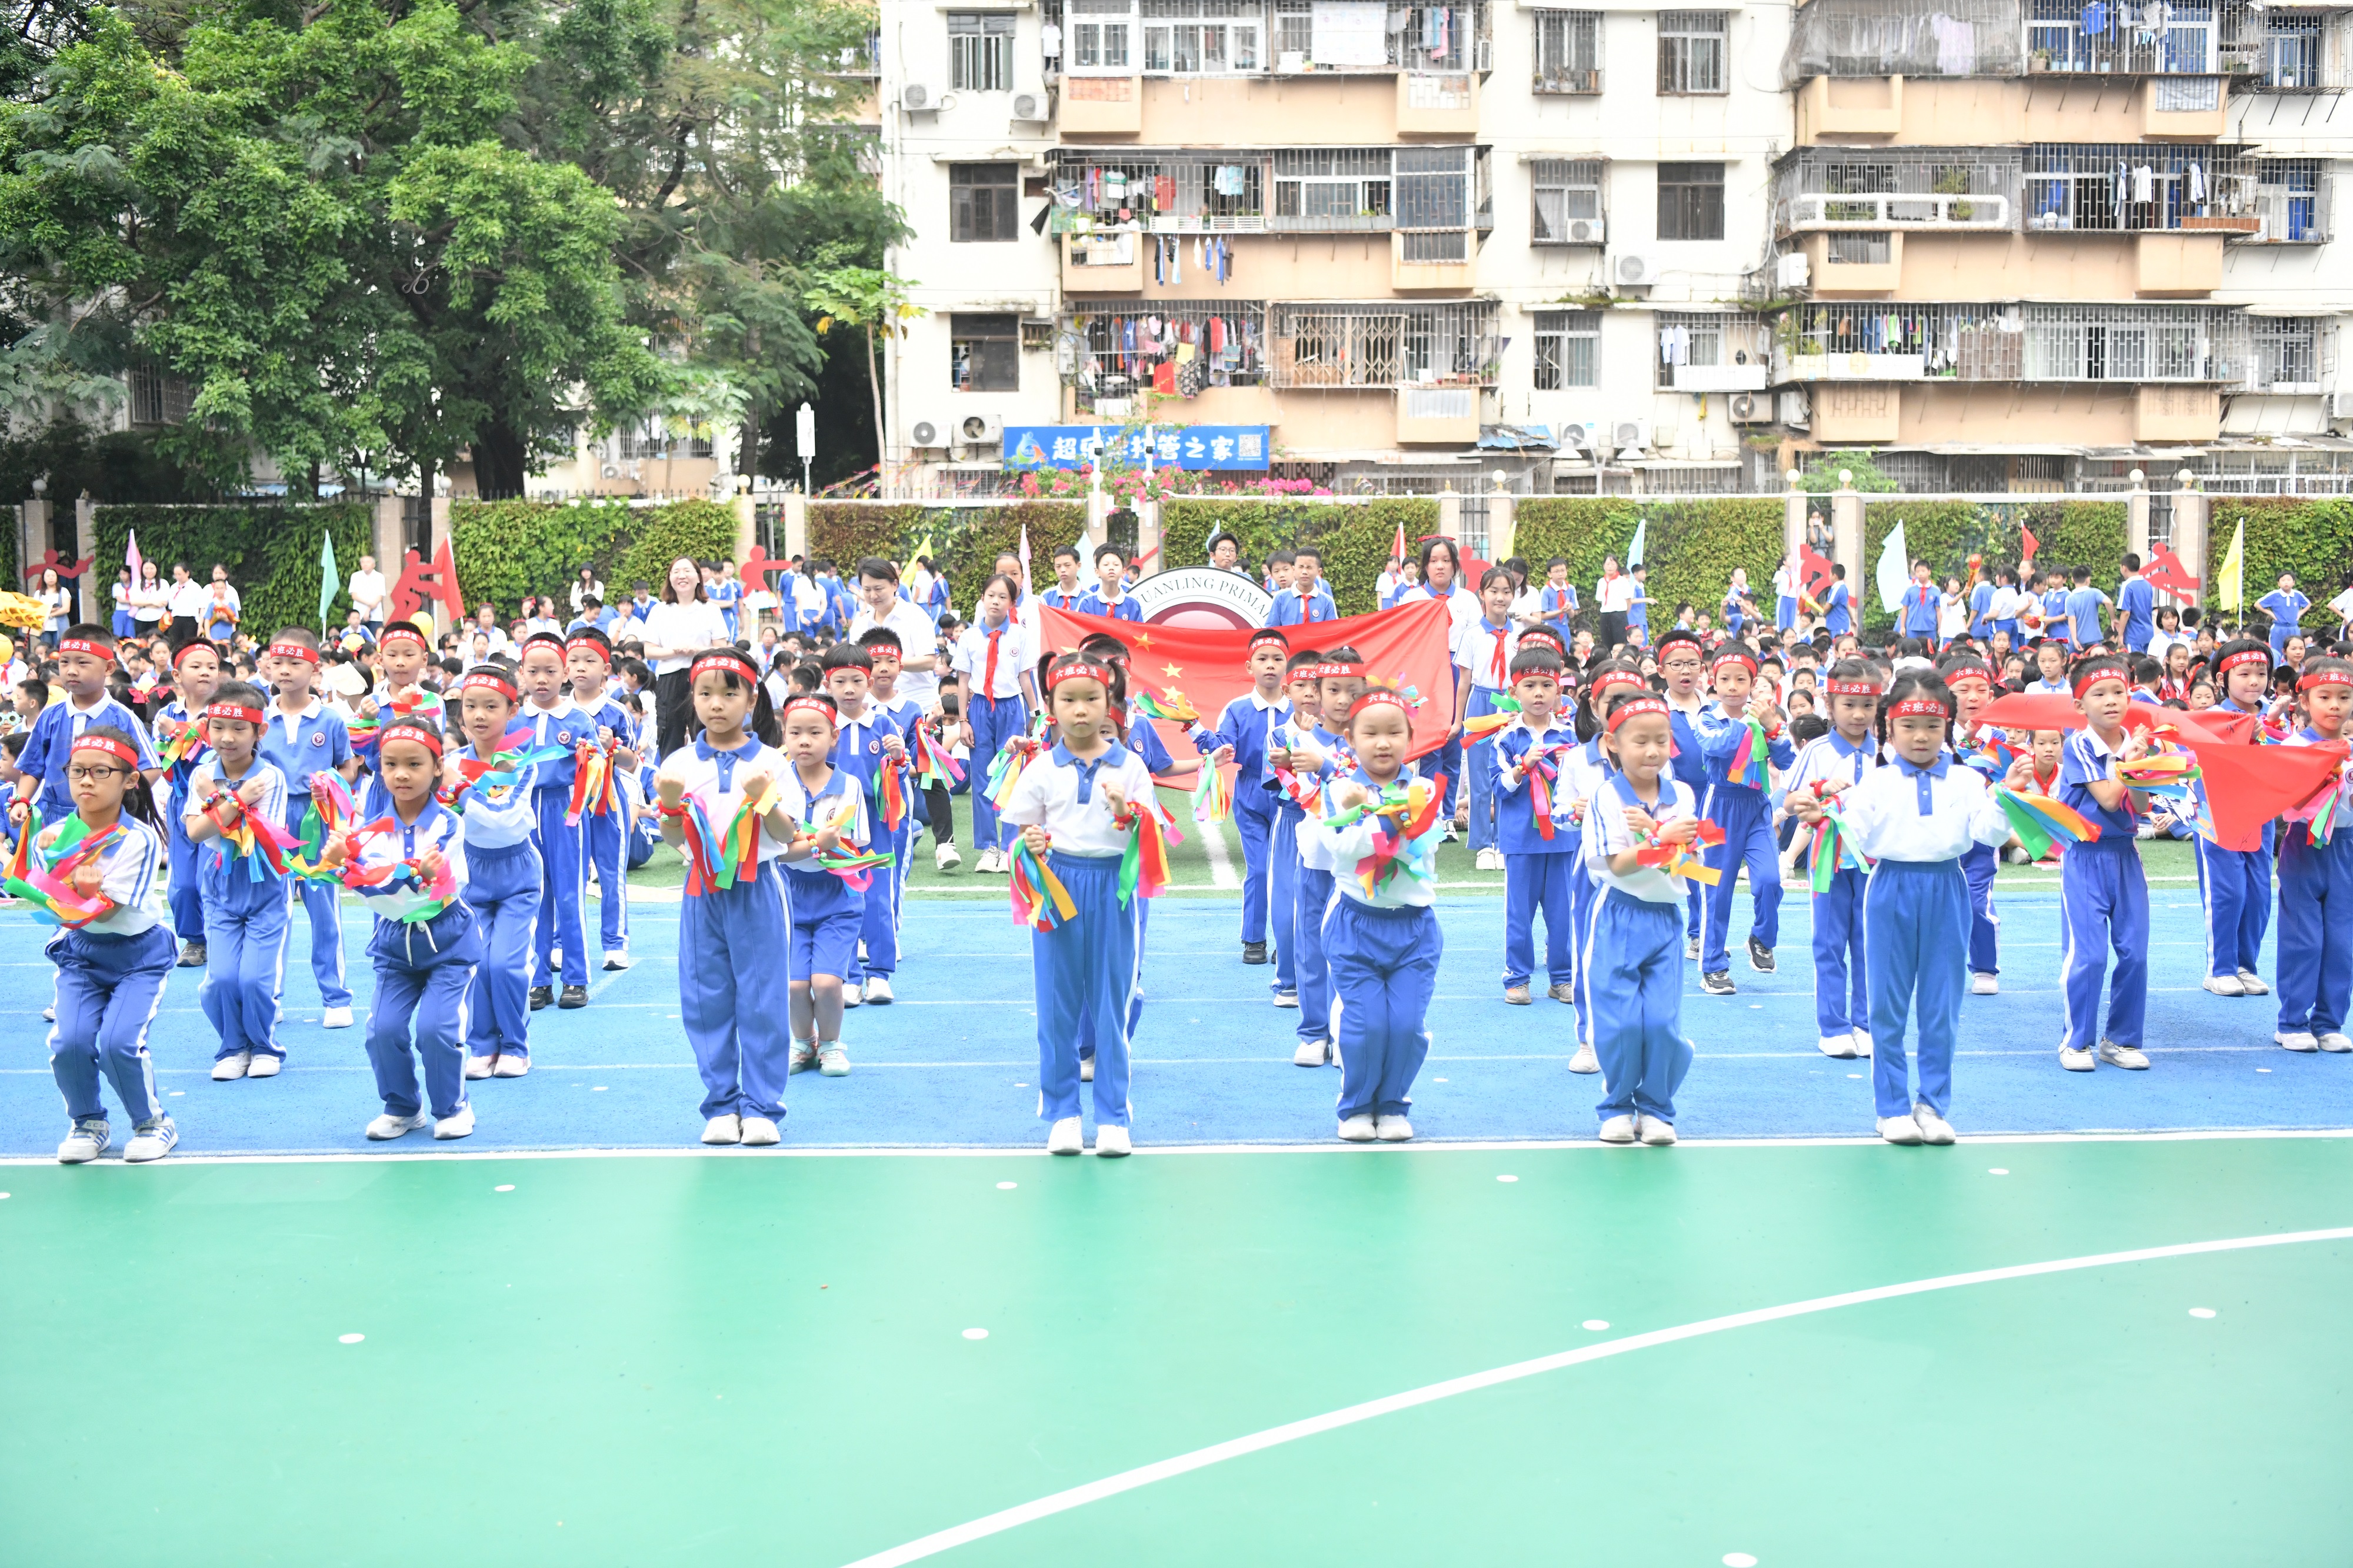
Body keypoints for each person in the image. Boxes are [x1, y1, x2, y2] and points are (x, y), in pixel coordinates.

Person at [1788, 672, 2025, 1143]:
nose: (1921, 737)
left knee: (1941, 1006)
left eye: (1933, 727)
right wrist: (1822, 814)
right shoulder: (1874, 783)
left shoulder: (1966, 778)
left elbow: (1987, 834)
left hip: (1947, 889)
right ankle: (1892, 1107)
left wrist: (2008, 794)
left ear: (1948, 728)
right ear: (1889, 729)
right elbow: (1850, 825)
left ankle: (1933, 1106)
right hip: (1891, 888)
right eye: (1909, 725)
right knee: (1888, 1006)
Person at [1001, 653, 1158, 1155]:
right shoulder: (1043, 767)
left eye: (1092, 698)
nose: (1082, 710)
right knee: (1056, 1006)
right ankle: (1064, 1113)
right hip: (1057, 887)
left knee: (1112, 1006)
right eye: (1069, 700)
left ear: (1109, 702)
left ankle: (1113, 1117)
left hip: (1113, 888)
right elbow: (1021, 835)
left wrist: (1126, 813)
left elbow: (1151, 834)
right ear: (1051, 707)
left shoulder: (1130, 766)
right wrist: (1032, 844)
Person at [653, 647, 796, 1145]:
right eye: (705, 693)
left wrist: (766, 799)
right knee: (704, 997)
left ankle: (761, 1107)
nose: (717, 704)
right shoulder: (679, 763)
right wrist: (670, 809)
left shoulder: (773, 761)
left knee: (762, 998)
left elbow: (787, 834)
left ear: (753, 698)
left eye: (729, 693)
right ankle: (720, 1105)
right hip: (701, 893)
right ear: (691, 698)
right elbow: (676, 841)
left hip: (756, 889)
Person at [322, 715, 479, 1140]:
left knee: (436, 1028)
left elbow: (429, 889)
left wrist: (357, 871)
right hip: (394, 945)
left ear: (437, 767)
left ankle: (452, 1107)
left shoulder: (448, 824)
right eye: (390, 765)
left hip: (448, 942)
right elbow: (368, 880)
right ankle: (402, 1107)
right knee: (382, 1030)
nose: (401, 774)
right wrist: (341, 863)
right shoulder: (367, 832)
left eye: (414, 764)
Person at [43, 726, 179, 1165]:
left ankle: (152, 1123)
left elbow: (101, 911)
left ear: (129, 780)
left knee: (119, 1043)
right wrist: (42, 861)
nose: (86, 781)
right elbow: (44, 894)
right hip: (81, 954)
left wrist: (75, 888)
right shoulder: (58, 833)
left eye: (101, 772)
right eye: (77, 771)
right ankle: (89, 1122)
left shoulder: (139, 839)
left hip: (138, 956)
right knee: (70, 1042)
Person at [1314, 686, 1444, 1143]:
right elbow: (1343, 850)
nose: (1383, 742)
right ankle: (1356, 1106)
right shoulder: (1336, 789)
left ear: (1411, 737)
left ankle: (1393, 1104)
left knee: (1406, 1024)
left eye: (1394, 732)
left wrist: (1368, 815)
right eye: (1370, 733)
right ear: (1350, 738)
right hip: (1354, 924)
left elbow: (1418, 842)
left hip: (1414, 928)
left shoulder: (1426, 788)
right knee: (1366, 1024)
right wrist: (1386, 819)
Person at [1580, 690, 1703, 1146]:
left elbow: (1687, 855)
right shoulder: (1606, 797)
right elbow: (1615, 864)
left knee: (1662, 1022)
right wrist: (1662, 840)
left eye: (1661, 740)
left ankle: (1656, 1109)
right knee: (1622, 1022)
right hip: (1619, 916)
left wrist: (1661, 836)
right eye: (1640, 741)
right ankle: (1616, 1106)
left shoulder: (1683, 794)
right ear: (1613, 743)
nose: (1652, 751)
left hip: (1666, 920)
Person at [181, 680, 294, 1082]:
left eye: (239, 728)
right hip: (219, 889)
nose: (227, 738)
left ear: (260, 732)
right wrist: (235, 800)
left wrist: (222, 801)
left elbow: (257, 837)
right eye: (218, 727)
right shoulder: (201, 774)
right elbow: (195, 834)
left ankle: (265, 1046)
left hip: (265, 887)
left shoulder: (271, 778)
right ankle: (233, 1047)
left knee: (255, 979)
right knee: (221, 979)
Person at [2055, 653, 2154, 1072]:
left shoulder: (2135, 740)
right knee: (2090, 955)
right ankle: (2077, 1041)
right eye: (2099, 694)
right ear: (2081, 705)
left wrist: (2146, 766)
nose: (2112, 701)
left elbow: (2139, 804)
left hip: (2125, 856)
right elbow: (2109, 798)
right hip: (2085, 857)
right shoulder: (2078, 743)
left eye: (2119, 692)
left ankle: (2121, 1039)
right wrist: (2130, 760)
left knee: (2135, 952)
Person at [445, 665, 544, 1079]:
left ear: (512, 710)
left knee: (505, 963)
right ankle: (483, 1044)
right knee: (477, 963)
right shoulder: (449, 762)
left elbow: (502, 818)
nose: (479, 715)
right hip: (472, 873)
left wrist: (462, 791)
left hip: (518, 874)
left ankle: (516, 1045)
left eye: (491, 706)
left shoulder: (521, 764)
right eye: (470, 706)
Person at [255, 631, 357, 1030]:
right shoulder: (260, 719)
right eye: (278, 661)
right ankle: (269, 997)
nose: (284, 670)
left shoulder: (330, 720)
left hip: (318, 820)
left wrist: (330, 780)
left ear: (315, 669)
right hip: (273, 821)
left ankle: (335, 997)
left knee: (325, 913)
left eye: (295, 663)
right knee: (272, 913)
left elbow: (349, 768)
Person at [767, 687, 869, 1076]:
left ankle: (830, 1044)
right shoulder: (776, 786)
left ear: (834, 736)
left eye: (815, 732)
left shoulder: (849, 786)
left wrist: (829, 849)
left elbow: (857, 847)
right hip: (787, 894)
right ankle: (802, 1042)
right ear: (784, 735)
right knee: (794, 986)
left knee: (827, 983)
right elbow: (775, 849)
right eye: (795, 733)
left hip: (837, 895)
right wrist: (815, 843)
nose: (804, 741)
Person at [1783, 661, 1879, 1059]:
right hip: (1829, 860)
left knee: (1872, 944)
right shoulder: (1818, 751)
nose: (1859, 714)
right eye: (1849, 704)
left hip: (1877, 863)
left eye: (1868, 705)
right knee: (1829, 941)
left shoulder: (1889, 749)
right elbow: (1789, 801)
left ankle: (1867, 1024)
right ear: (1829, 703)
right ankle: (1834, 1026)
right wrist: (1810, 802)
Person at [1695, 644, 1794, 995]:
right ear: (1713, 681)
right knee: (1716, 890)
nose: (1733, 686)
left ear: (1753, 683)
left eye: (1742, 679)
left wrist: (1774, 729)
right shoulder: (1707, 718)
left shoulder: (1768, 718)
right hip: (1718, 807)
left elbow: (1786, 761)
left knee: (1770, 879)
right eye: (1725, 679)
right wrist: (1753, 724)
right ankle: (1713, 966)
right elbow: (1715, 747)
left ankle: (1762, 938)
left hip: (1756, 806)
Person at [1190, 629, 1289, 965]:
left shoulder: (1301, 709)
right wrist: (1198, 732)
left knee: (1288, 871)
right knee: (1260, 869)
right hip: (1249, 796)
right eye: (1262, 659)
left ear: (1287, 665)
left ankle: (1288, 941)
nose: (1270, 666)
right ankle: (1254, 938)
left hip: (1292, 798)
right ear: (1250, 666)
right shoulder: (1237, 708)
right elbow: (1221, 747)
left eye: (1277, 659)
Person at [2272, 658, 2353, 1053]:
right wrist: (2321, 775)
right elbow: (2284, 803)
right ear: (2304, 701)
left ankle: (2329, 1021)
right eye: (2324, 697)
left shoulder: (2351, 749)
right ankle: (2292, 1021)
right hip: (2304, 846)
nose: (2335, 705)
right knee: (2304, 938)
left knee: (2342, 940)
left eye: (2344, 697)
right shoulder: (2293, 747)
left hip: (2345, 848)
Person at [1491, 646, 1579, 1007]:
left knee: (1563, 915)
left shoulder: (1570, 736)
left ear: (1559, 690)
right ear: (1515, 692)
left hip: (1562, 839)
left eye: (1547, 685)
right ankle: (1518, 978)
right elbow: (1497, 789)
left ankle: (1561, 979)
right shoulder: (1506, 738)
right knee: (1519, 915)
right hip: (1521, 841)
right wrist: (1521, 768)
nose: (1539, 693)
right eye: (1530, 685)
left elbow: (1581, 786)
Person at [819, 642, 901, 1008]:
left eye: (857, 680)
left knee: (878, 898)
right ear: (828, 683)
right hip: (838, 825)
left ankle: (880, 975)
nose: (849, 689)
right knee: (844, 899)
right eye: (841, 681)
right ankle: (849, 975)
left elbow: (904, 770)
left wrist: (899, 756)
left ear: (869, 682)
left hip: (879, 822)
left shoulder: (883, 723)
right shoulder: (824, 725)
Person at [2197, 640, 2279, 997]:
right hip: (2220, 816)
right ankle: (2221, 969)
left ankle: (2246, 965)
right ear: (2222, 679)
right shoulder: (2210, 720)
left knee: (2260, 894)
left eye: (2261, 674)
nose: (2253, 681)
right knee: (2227, 892)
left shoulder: (2275, 719)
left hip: (2261, 816)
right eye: (2244, 674)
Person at [514, 632, 591, 1011]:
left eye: (550, 671)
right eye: (533, 671)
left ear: (565, 674)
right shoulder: (513, 720)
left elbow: (594, 772)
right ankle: (538, 978)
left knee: (569, 895)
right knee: (534, 897)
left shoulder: (577, 719)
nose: (541, 679)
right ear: (522, 675)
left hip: (566, 811)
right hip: (525, 811)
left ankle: (575, 977)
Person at [562, 628, 641, 972]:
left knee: (612, 874)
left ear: (606, 669)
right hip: (570, 806)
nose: (581, 668)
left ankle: (615, 944)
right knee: (568, 877)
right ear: (565, 669)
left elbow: (633, 762)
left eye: (590, 661)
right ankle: (561, 944)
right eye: (574, 661)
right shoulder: (558, 711)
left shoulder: (617, 712)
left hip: (610, 803)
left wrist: (614, 747)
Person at [951, 573, 1039, 872]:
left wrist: (1035, 714)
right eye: (991, 595)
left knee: (1011, 778)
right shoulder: (969, 637)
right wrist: (963, 720)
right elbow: (963, 681)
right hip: (979, 710)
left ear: (1012, 603)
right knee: (982, 778)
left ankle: (1009, 846)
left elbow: (1026, 679)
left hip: (1011, 709)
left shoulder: (1020, 636)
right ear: (983, 598)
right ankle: (989, 848)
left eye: (1003, 597)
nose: (996, 602)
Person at [1262, 649, 1325, 1009]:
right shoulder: (1278, 734)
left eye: (1317, 685)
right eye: (1301, 684)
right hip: (1291, 821)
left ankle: (1324, 979)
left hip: (1328, 822)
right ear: (1287, 691)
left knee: (1326, 901)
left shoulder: (1338, 734)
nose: (1310, 692)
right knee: (1285, 904)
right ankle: (1288, 980)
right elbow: (1280, 783)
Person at [152, 640, 221, 968]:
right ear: (177, 675)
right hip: (181, 800)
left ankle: (218, 937)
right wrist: (174, 735)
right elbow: (163, 762)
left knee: (212, 874)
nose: (205, 672)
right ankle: (194, 939)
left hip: (218, 801)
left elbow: (220, 749)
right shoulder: (167, 714)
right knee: (182, 883)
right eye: (196, 666)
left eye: (212, 666)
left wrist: (178, 734)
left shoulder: (226, 710)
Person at [1455, 567, 1519, 871]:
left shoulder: (1519, 636)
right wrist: (1458, 722)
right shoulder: (1472, 635)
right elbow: (1463, 683)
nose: (1500, 597)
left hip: (1508, 703)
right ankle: (1482, 844)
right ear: (1482, 594)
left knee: (1507, 773)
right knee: (1480, 776)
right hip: (1480, 702)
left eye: (1506, 591)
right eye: (1493, 591)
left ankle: (1503, 841)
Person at [642, 556, 729, 758]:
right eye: (676, 572)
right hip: (669, 680)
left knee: (706, 733)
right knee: (669, 736)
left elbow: (721, 649)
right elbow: (650, 651)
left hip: (703, 679)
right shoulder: (660, 611)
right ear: (670, 578)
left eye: (688, 571)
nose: (682, 576)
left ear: (699, 577)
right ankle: (670, 786)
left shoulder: (711, 610)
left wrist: (696, 650)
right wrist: (675, 651)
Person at [1264, 545, 1338, 627]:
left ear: (1319, 572)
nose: (1304, 572)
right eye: (1301, 567)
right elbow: (1271, 630)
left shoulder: (1327, 601)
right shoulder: (1281, 598)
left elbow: (1332, 632)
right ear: (1294, 569)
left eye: (1309, 568)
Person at [1077, 543, 1144, 623]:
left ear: (1124, 572)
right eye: (1106, 565)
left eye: (1116, 565)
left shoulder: (1133, 605)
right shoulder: (1087, 604)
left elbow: (1139, 633)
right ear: (1097, 572)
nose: (1111, 568)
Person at [2259, 572, 2310, 659]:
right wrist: (2270, 613)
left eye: (2289, 580)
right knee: (2276, 652)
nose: (2286, 582)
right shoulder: (2274, 595)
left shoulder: (2297, 595)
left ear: (2293, 582)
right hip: (2278, 628)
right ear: (2278, 583)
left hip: (2293, 627)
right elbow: (2258, 604)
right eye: (2283, 580)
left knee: (2295, 650)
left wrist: (2300, 613)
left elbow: (2308, 604)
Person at [1595, 555, 1634, 650]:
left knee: (1620, 643)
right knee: (1606, 642)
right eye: (1608, 564)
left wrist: (1623, 615)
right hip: (1605, 615)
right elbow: (1601, 600)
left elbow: (1629, 601)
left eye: (1613, 564)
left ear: (1617, 566)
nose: (1610, 567)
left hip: (1619, 615)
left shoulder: (1622, 581)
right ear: (1604, 566)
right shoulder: (1601, 582)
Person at [2065, 565, 2109, 647]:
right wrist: (2113, 618)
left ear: (2072, 579)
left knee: (2073, 659)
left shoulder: (2070, 598)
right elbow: (2109, 602)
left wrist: (2075, 640)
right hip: (2094, 640)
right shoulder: (2095, 593)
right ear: (2088, 579)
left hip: (2077, 642)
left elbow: (2072, 619)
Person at [1898, 562, 1939, 644]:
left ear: (1929, 572)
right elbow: (1905, 609)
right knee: (1912, 650)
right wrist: (1902, 627)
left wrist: (1940, 627)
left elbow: (1939, 610)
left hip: (1929, 628)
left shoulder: (1936, 590)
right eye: (1918, 571)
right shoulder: (1911, 590)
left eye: (1923, 571)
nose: (1920, 574)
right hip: (1912, 628)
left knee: (1930, 651)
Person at [203, 566, 240, 645]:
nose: (219, 591)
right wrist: (208, 636)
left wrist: (225, 618)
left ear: (226, 589)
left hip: (228, 634)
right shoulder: (212, 604)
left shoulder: (231, 604)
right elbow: (207, 620)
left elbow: (235, 621)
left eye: (222, 588)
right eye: (217, 588)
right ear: (214, 589)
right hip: (214, 635)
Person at [1822, 563, 1853, 637]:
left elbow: (1828, 606)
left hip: (1837, 625)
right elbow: (1847, 604)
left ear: (1835, 576)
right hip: (1838, 625)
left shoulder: (1837, 588)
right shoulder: (1843, 587)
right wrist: (1852, 619)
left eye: (1830, 574)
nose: (1829, 576)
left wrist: (1824, 614)